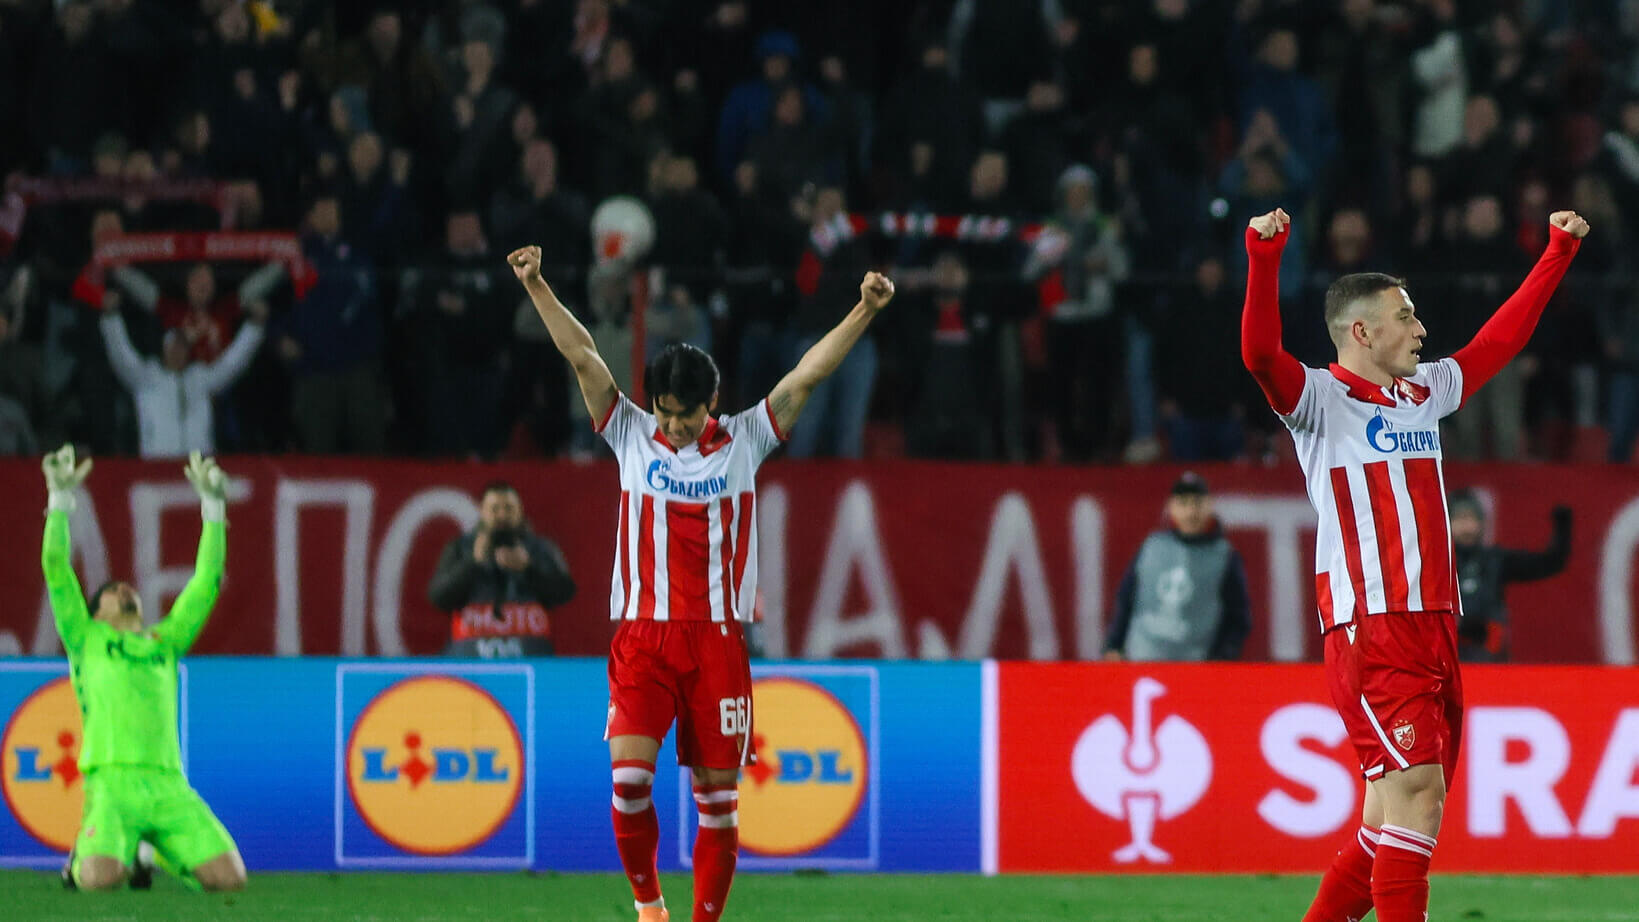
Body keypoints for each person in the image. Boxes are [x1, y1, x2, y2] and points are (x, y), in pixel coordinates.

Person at [506, 244, 893, 922]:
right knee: (629, 782)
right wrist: (537, 284)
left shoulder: (745, 439)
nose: (672, 425)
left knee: (718, 801)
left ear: (710, 403)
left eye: (684, 414)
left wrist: (863, 310)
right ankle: (650, 908)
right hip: (643, 638)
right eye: (663, 411)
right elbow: (583, 356)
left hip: (716, 642)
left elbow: (807, 374)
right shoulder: (630, 434)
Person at [1240, 206, 1586, 922]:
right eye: (1405, 316)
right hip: (1374, 625)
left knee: (1385, 826)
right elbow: (1259, 355)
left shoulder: (1421, 393)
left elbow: (1498, 341)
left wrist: (1557, 251)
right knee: (1418, 799)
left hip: (1433, 625)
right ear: (1361, 332)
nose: (1421, 329)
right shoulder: (1318, 401)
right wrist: (1263, 258)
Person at [41, 445, 246, 893]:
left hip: (169, 784)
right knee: (99, 880)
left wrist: (214, 508)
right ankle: (82, 859)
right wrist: (59, 500)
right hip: (111, 782)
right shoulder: (85, 638)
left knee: (230, 880)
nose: (124, 590)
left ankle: (150, 849)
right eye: (112, 590)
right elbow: (56, 569)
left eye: (127, 588)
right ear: (96, 612)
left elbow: (206, 582)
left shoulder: (165, 642)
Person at [1102, 472, 1251, 661]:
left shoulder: (1224, 556)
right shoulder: (1152, 547)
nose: (1191, 512)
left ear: (1209, 505)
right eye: (1183, 503)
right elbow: (1126, 600)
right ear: (1171, 507)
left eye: (1197, 503)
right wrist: (1113, 645)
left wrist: (1222, 658)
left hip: (1193, 669)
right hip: (1140, 661)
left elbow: (1238, 619)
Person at [98, 296, 267, 459]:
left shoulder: (200, 378)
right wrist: (111, 318)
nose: (178, 351)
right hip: (157, 467)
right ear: (164, 350)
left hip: (199, 467)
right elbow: (121, 355)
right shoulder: (146, 378)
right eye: (173, 346)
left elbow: (232, 363)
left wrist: (254, 326)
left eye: (183, 346)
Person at [426, 481, 576, 658]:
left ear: (520, 511)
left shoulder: (540, 549)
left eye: (509, 508)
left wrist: (528, 569)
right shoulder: (460, 548)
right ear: (482, 511)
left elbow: (564, 592)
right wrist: (473, 563)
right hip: (470, 658)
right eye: (495, 509)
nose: (502, 515)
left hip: (531, 658)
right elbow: (439, 598)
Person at [1448, 492, 1572, 662]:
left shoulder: (1495, 560)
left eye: (1471, 519)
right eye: (1459, 519)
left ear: (1481, 523)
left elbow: (1550, 563)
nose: (1467, 527)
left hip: (1488, 660)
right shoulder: (1436, 564)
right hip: (1446, 659)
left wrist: (1563, 528)